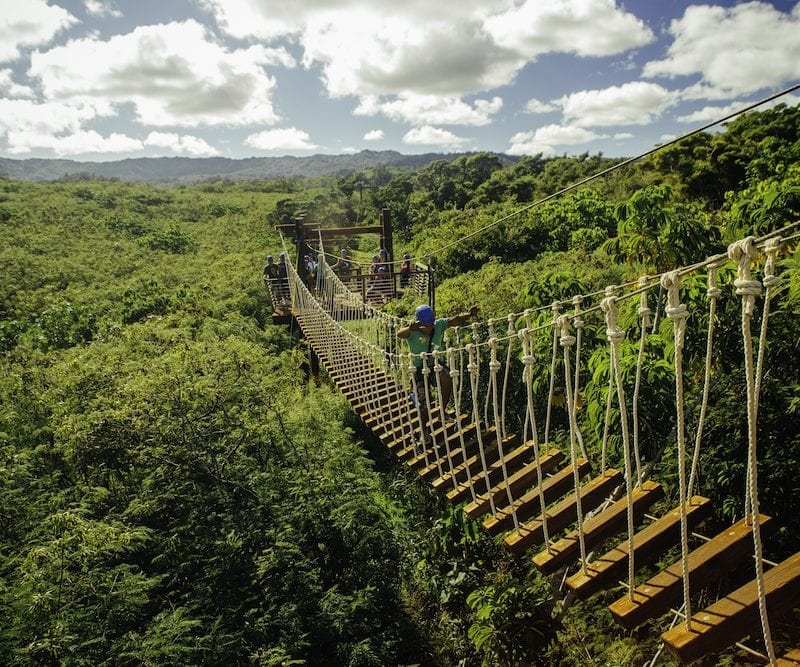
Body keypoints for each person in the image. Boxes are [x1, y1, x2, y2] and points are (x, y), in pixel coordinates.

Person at [397, 303, 479, 442]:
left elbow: (456, 319)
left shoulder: (438, 325)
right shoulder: (413, 330)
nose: (429, 328)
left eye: (430, 325)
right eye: (425, 326)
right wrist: (409, 328)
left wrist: (469, 314)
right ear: (418, 323)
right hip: (418, 370)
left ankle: (442, 412)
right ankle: (423, 429)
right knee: (423, 403)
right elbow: (400, 334)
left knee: (448, 377)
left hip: (434, 364)